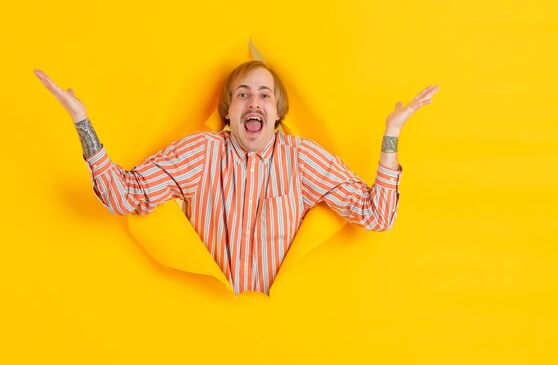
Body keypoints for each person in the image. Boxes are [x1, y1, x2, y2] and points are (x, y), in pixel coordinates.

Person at [34, 61, 439, 295]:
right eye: (243, 93)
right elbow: (125, 196)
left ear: (276, 112)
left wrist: (392, 135)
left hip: (280, 336)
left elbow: (377, 215)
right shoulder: (200, 152)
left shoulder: (303, 159)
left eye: (264, 94)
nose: (254, 101)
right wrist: (82, 122)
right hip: (207, 336)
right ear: (229, 110)